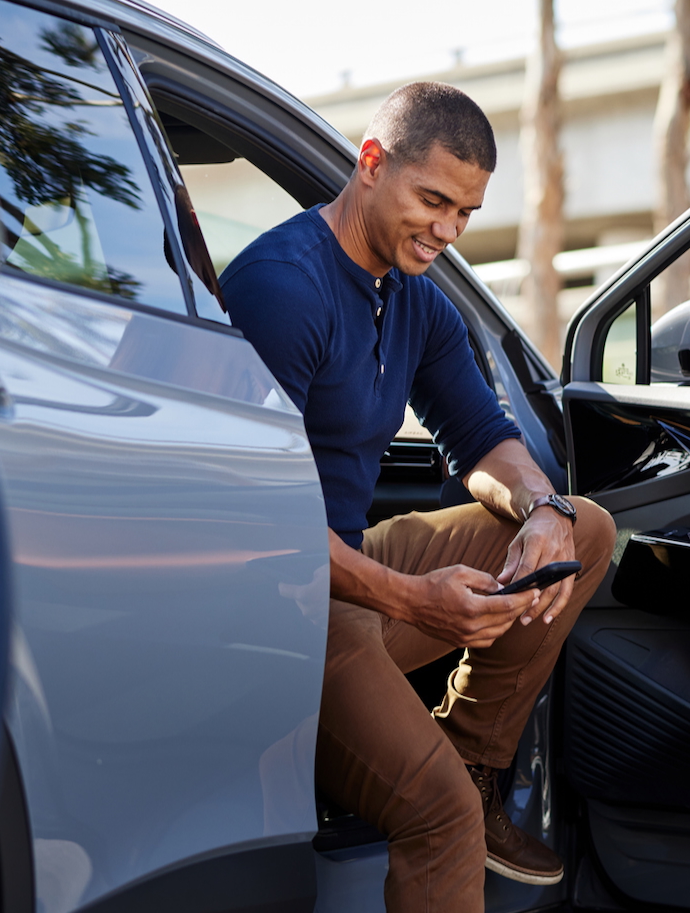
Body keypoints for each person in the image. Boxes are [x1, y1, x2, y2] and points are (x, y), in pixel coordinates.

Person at [223, 82, 615, 913]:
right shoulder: (282, 288)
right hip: (273, 613)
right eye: (432, 200)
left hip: (349, 567)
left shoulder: (417, 300)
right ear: (371, 164)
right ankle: (455, 797)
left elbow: (483, 439)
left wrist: (545, 510)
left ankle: (473, 757)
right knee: (438, 817)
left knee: (587, 528)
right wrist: (415, 600)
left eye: (465, 213)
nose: (446, 231)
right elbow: (256, 524)